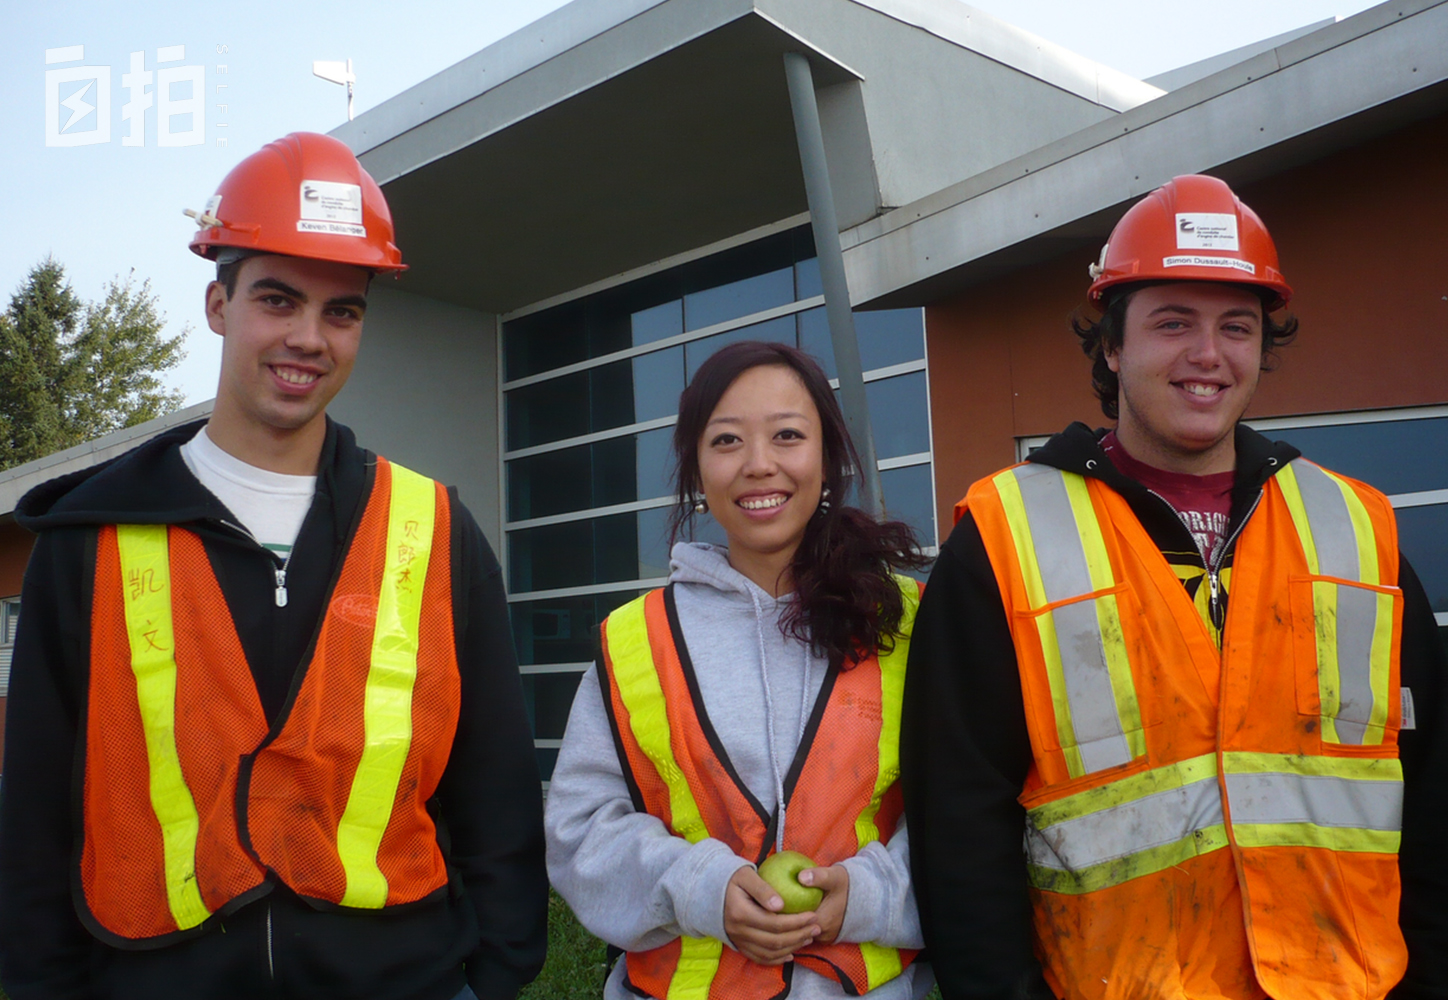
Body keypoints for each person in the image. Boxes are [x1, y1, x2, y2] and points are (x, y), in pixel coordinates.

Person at [901, 174, 1448, 1000]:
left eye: (1236, 327)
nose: (1208, 354)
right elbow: (960, 832)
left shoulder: (1355, 532)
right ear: (1112, 347)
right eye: (1172, 322)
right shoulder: (1005, 539)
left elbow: (1434, 807)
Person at [0, 132, 548, 1000]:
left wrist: (493, 975)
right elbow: (35, 810)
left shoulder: (433, 530)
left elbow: (495, 786)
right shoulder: (88, 541)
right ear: (219, 305)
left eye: (342, 311)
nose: (308, 338)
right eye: (278, 300)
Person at [546, 341, 932, 1000]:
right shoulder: (636, 639)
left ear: (828, 457)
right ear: (696, 469)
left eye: (787, 435)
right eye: (726, 441)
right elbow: (580, 831)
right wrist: (700, 889)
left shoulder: (907, 621)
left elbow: (967, 815)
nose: (759, 466)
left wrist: (867, 896)